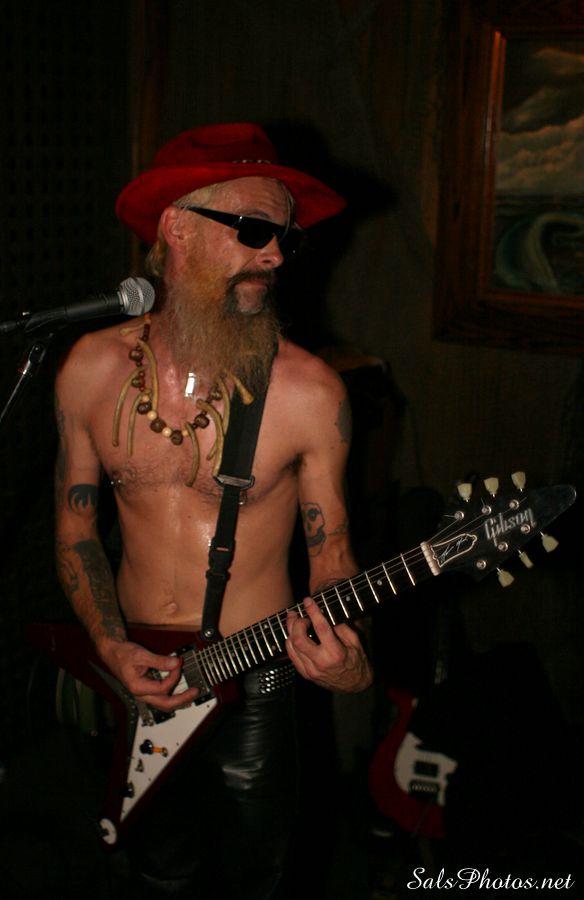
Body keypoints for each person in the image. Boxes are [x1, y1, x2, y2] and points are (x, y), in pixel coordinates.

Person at [54, 122, 372, 899]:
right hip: (136, 674)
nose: (275, 255)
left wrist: (351, 657)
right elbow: (75, 527)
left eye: (285, 238)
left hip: (255, 680)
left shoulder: (311, 392)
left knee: (253, 884)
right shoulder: (88, 369)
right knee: (157, 876)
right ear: (176, 227)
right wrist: (109, 644)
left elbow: (332, 556)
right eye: (254, 230)